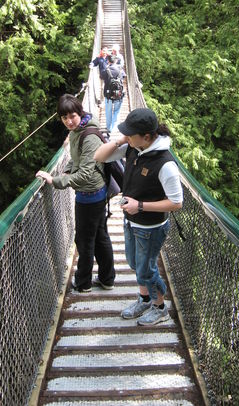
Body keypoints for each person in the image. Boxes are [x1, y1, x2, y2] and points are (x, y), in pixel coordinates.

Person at [94, 108, 183, 326]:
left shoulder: (165, 163)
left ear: (146, 136)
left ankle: (160, 308)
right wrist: (122, 140)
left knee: (146, 269)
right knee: (135, 264)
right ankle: (144, 299)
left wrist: (140, 206)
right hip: (131, 221)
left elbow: (177, 203)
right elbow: (99, 156)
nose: (127, 137)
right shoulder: (133, 148)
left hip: (151, 227)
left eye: (131, 133)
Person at [36, 94, 115, 292]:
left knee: (85, 240)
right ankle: (107, 278)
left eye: (72, 116)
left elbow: (86, 174)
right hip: (96, 192)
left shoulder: (88, 137)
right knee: (99, 236)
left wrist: (56, 180)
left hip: (90, 194)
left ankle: (83, 283)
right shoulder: (77, 131)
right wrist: (68, 169)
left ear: (80, 113)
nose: (69, 121)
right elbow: (77, 159)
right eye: (64, 118)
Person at [104, 55, 125, 133]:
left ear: (108, 61)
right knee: (116, 111)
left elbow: (102, 77)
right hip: (118, 94)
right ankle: (114, 127)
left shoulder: (106, 70)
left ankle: (109, 128)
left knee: (108, 111)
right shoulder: (120, 69)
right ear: (115, 61)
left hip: (108, 94)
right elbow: (123, 77)